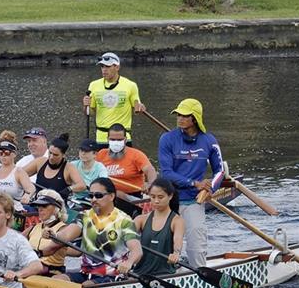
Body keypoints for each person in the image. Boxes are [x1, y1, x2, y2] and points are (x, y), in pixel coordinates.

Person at [158, 98, 224, 267]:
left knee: (196, 245)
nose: (179, 118)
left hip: (194, 201)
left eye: (184, 115)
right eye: (178, 114)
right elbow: (167, 173)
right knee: (163, 246)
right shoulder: (167, 139)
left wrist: (211, 188)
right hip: (169, 201)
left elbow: (220, 171)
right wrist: (195, 183)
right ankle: (166, 273)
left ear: (194, 118)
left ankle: (200, 273)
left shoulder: (209, 141)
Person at [58, 177, 142, 283]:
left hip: (112, 276)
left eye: (98, 196)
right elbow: (66, 235)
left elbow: (137, 251)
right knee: (58, 280)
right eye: (91, 196)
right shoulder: (84, 216)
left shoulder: (124, 220)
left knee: (86, 286)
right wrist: (56, 235)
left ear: (112, 196)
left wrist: (129, 263)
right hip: (86, 273)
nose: (93, 199)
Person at [95, 123, 158, 215]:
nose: (116, 142)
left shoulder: (136, 155)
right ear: (107, 140)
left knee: (119, 194)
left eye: (119, 140)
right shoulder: (101, 154)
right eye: (113, 139)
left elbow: (150, 170)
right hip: (105, 195)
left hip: (131, 196)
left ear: (125, 140)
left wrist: (150, 184)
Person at [83, 52, 145, 143]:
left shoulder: (130, 85)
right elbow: (90, 112)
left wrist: (140, 108)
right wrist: (85, 106)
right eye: (102, 66)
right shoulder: (93, 85)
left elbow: (137, 109)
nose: (104, 70)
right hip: (101, 138)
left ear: (117, 67)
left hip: (123, 138)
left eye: (108, 67)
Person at [131, 177, 184, 278]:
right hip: (140, 273)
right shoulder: (140, 219)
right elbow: (125, 238)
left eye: (160, 197)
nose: (156, 201)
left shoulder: (177, 221)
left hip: (165, 275)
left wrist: (176, 253)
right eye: (152, 196)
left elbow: (178, 240)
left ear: (170, 196)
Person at [24, 189, 72, 279]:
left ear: (57, 209)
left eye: (44, 205)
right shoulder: (34, 227)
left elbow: (51, 249)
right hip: (31, 268)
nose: (40, 209)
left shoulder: (64, 228)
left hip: (51, 272)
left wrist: (53, 237)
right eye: (38, 206)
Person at [24, 137, 86, 204]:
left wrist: (69, 189)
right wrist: (27, 189)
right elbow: (18, 174)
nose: (51, 157)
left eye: (55, 155)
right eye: (50, 153)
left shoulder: (69, 168)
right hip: (37, 205)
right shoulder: (40, 162)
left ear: (63, 155)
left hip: (57, 208)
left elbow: (82, 185)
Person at [68, 139, 110, 211]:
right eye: (81, 151)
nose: (83, 153)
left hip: (93, 201)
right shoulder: (72, 165)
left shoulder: (100, 168)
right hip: (73, 200)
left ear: (95, 154)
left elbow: (104, 186)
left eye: (86, 151)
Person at [0, 135, 29, 201]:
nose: (3, 156)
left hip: (13, 207)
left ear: (14, 154)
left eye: (7, 153)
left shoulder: (19, 172)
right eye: (0, 153)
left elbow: (31, 188)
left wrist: (27, 195)